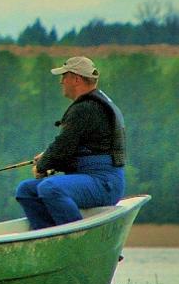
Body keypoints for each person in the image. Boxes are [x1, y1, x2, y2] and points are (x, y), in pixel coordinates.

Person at [15, 55, 126, 229]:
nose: (61, 82)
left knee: (50, 188)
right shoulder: (93, 105)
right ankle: (47, 238)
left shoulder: (86, 108)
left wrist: (43, 165)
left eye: (63, 76)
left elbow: (63, 146)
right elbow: (73, 147)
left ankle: (80, 239)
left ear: (76, 79)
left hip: (103, 181)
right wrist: (49, 159)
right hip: (91, 177)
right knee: (26, 190)